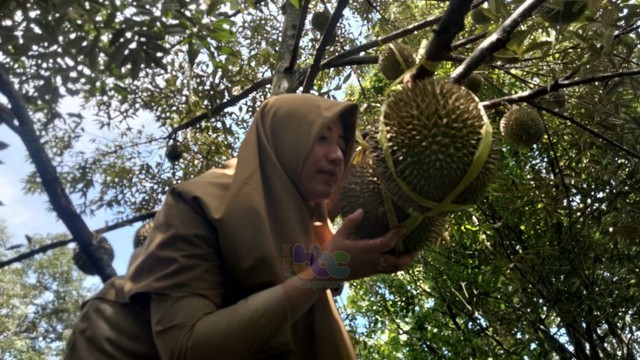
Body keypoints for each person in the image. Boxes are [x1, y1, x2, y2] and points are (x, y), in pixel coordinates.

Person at [65, 93, 417, 359]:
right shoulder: (199, 203)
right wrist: (327, 272)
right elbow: (184, 346)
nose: (338, 155)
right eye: (321, 138)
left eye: (342, 144)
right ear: (286, 142)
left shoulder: (310, 225)